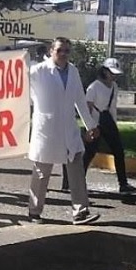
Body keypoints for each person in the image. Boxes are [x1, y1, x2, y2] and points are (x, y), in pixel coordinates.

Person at [28, 37, 101, 225]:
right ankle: (34, 211)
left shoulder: (73, 71)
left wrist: (90, 125)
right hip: (46, 130)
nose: (63, 54)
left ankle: (80, 211)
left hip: (69, 130)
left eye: (67, 51)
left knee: (76, 169)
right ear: (52, 50)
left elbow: (80, 100)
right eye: (60, 50)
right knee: (41, 172)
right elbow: (17, 85)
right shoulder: (38, 71)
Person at [82, 58, 136, 194]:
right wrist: (90, 127)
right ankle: (78, 181)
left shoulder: (114, 86)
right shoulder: (94, 87)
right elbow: (88, 107)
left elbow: (113, 107)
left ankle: (123, 184)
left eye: (115, 73)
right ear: (104, 71)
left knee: (118, 151)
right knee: (89, 153)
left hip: (108, 122)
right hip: (95, 123)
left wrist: (115, 125)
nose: (113, 76)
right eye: (111, 72)